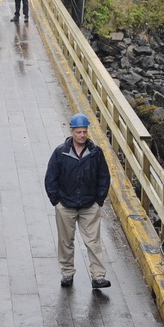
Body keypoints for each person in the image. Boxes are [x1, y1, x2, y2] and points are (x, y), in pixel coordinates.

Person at [43, 113, 111, 289]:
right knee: (65, 241)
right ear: (72, 131)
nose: (82, 135)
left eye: (85, 131)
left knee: (93, 242)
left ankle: (98, 276)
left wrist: (99, 201)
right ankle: (67, 273)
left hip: (89, 205)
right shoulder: (61, 152)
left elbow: (104, 176)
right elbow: (51, 178)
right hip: (65, 205)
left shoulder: (95, 153)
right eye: (79, 132)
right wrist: (56, 201)